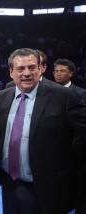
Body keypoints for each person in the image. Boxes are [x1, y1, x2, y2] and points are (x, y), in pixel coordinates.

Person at [0, 48, 86, 214]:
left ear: (41, 69)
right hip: (9, 183)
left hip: (46, 188)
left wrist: (70, 161)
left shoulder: (63, 96)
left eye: (32, 67)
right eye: (20, 69)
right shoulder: (2, 97)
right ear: (11, 72)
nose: (26, 73)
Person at [53, 58, 86, 214]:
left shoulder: (80, 94)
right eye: (56, 71)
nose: (58, 74)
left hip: (73, 154)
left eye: (62, 71)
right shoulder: (46, 91)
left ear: (71, 73)